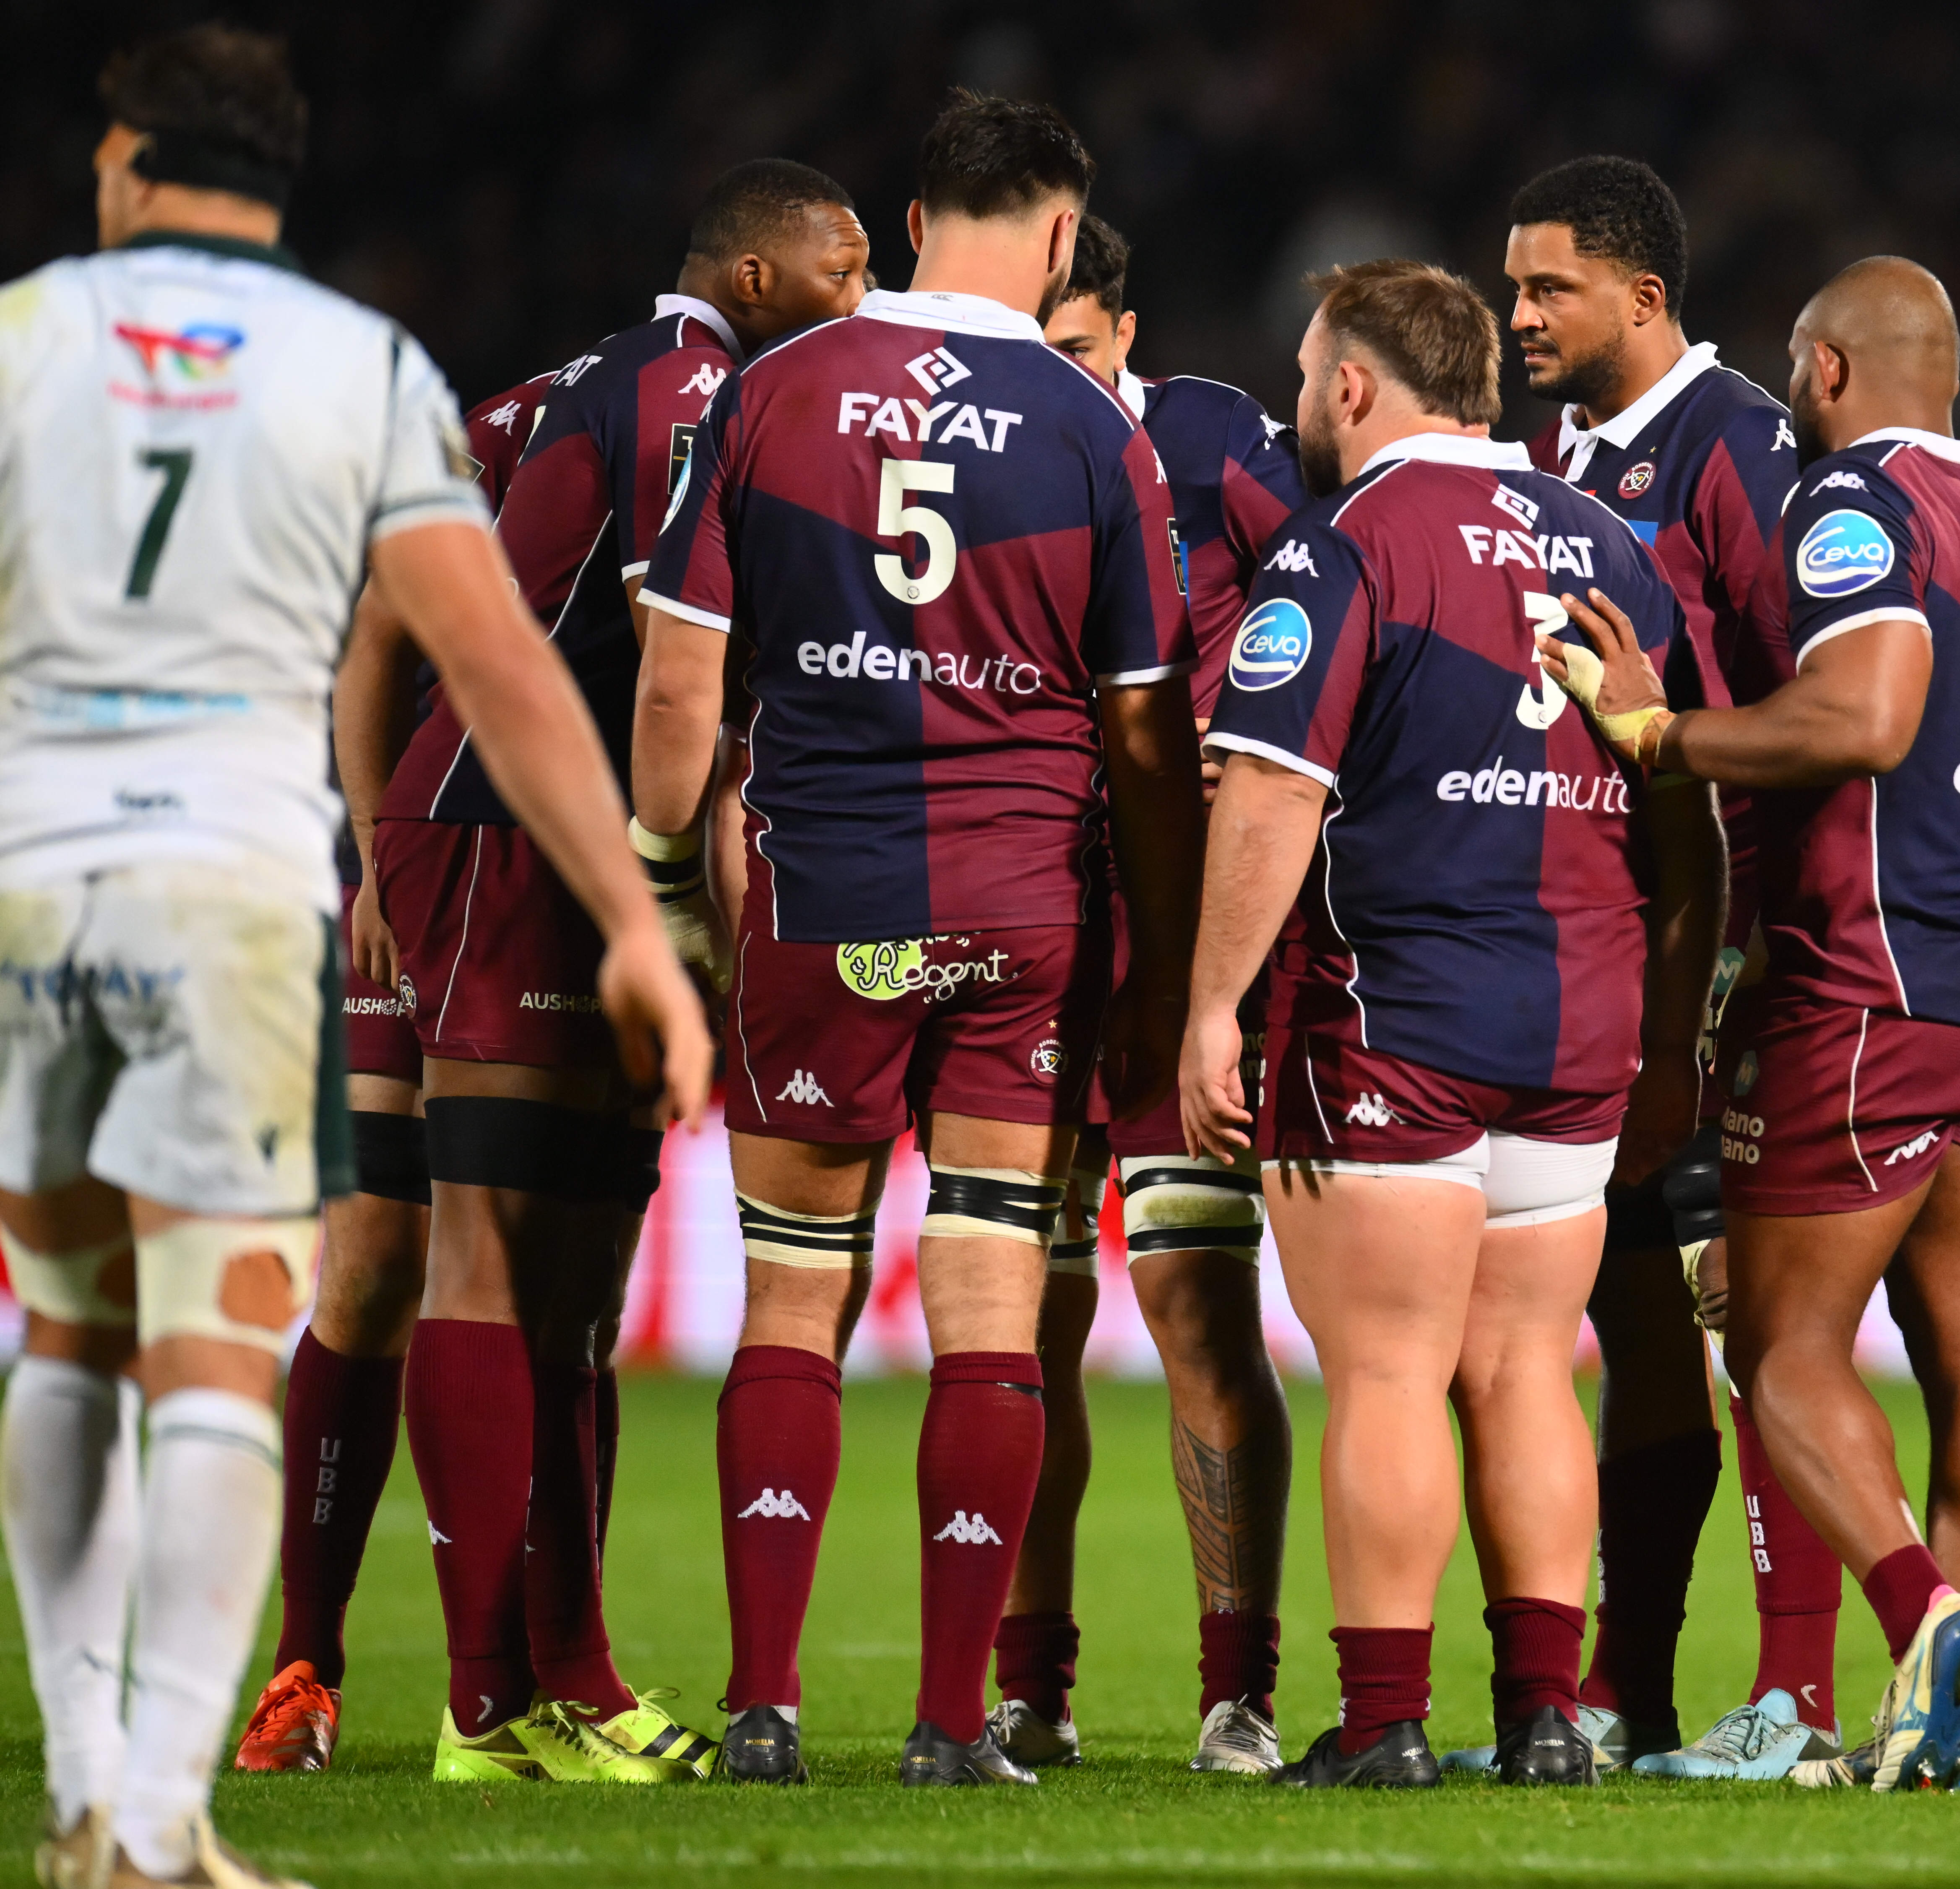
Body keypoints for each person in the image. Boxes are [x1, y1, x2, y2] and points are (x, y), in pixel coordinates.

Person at [0, 26, 709, 1888]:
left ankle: (87, 1780)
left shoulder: (25, 338)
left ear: (125, 162)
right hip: (237, 885)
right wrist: (635, 915)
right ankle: (162, 1819)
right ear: (279, 170)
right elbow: (495, 663)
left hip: (44, 869)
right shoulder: (357, 365)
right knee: (222, 1337)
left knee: (70, 1334)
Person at [634, 89, 1200, 1790]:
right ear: (1058, 236)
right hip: (1022, 917)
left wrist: (663, 893)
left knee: (791, 1296)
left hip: (826, 907)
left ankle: (762, 1709)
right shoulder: (1095, 429)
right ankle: (957, 1723)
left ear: (908, 219)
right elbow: (1145, 733)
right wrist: (1165, 962)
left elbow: (678, 688)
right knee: (987, 1301)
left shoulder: (765, 392)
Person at [1540, 256, 1960, 1793]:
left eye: (1800, 365)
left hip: (1875, 978)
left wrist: (1661, 732)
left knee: (1785, 1344)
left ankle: (1927, 1613)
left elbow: (1864, 718)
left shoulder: (1856, 502)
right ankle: (1946, 1732)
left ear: (1830, 370)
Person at [347, 157, 867, 1788]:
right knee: (490, 1251)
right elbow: (672, 673)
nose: (861, 299)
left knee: (575, 1285)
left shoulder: (599, 385)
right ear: (759, 277)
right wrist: (691, 892)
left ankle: (569, 1678)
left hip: (564, 846)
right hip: (508, 832)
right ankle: (484, 1705)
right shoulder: (688, 391)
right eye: (845, 268)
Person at [1181, 259, 1723, 1788]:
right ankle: (1548, 1717)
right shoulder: (1607, 540)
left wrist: (1212, 1006)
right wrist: (1666, 1029)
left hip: (1399, 1015)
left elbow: (1272, 791)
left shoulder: (1345, 544)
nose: (1301, 404)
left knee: (1390, 1370)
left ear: (1354, 385)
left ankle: (1385, 1723)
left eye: (1309, 378)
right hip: (1577, 1023)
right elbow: (1678, 797)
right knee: (1530, 1368)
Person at [1481, 153, 1825, 1782]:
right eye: (1511, 286)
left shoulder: (1740, 449)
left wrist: (1740, 966)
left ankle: (1795, 1691)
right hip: (1597, 948)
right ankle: (1628, 1690)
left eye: (1548, 287)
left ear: (1643, 295)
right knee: (1630, 1321)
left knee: (1742, 1319)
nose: (1518, 314)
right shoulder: (1547, 459)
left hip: (1727, 948)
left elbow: (1815, 706)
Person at [997, 215, 1304, 1776]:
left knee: (1194, 1306)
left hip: (1182, 936)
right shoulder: (982, 449)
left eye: (1076, 351)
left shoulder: (1214, 440)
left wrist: (1254, 724)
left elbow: (1338, 584)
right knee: (1022, 1321)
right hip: (1025, 920)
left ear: (1128, 332)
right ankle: (1027, 1689)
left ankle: (1238, 1690)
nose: (1052, 380)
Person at [232, 372, 552, 1773]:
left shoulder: (754, 422)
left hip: (559, 884)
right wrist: (372, 855)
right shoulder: (512, 429)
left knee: (545, 1279)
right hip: (426, 868)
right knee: (368, 1258)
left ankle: (526, 1675)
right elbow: (375, 640)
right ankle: (305, 1664)